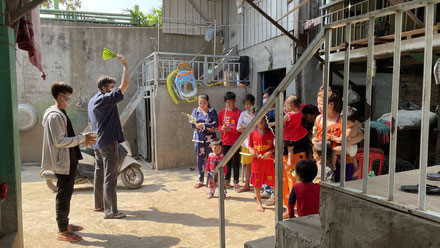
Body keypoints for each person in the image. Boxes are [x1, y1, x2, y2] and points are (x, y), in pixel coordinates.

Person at [42, 81, 96, 242]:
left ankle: (65, 224)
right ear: (60, 96)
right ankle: (63, 231)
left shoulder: (60, 112)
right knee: (63, 196)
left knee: (67, 194)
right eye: (68, 97)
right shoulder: (54, 115)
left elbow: (66, 138)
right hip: (63, 162)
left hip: (69, 159)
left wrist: (82, 140)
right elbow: (59, 141)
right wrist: (82, 138)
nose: (69, 100)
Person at [88, 55, 129, 219]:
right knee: (110, 177)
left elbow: (91, 124)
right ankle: (111, 211)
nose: (113, 90)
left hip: (97, 143)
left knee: (99, 174)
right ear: (104, 88)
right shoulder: (105, 99)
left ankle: (99, 205)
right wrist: (125, 65)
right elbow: (124, 85)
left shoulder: (93, 100)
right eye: (111, 87)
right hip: (107, 143)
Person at [313, 86, 363, 182]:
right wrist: (313, 139)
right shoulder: (318, 119)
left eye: (321, 104)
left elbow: (360, 131)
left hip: (342, 164)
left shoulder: (343, 119)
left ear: (331, 104)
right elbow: (313, 134)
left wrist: (352, 140)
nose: (318, 106)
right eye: (318, 103)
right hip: (322, 164)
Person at [282, 95, 310, 207]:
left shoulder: (291, 116)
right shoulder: (299, 114)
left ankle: (293, 205)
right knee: (289, 181)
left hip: (297, 155)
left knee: (294, 181)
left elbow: (281, 122)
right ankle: (290, 205)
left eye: (286, 105)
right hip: (291, 154)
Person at [190, 95, 218, 188]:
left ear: (208, 102)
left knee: (211, 159)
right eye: (200, 103)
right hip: (199, 139)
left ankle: (211, 180)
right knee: (200, 159)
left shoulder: (212, 111)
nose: (202, 105)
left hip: (210, 140)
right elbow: (192, 123)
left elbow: (215, 123)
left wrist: (203, 125)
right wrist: (205, 126)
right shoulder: (195, 111)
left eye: (204, 103)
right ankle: (200, 180)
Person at [248, 117, 275, 212]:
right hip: (257, 162)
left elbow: (275, 147)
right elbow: (250, 146)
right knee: (256, 183)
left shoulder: (271, 132)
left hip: (268, 161)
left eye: (263, 119)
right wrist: (251, 151)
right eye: (259, 119)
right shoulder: (252, 133)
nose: (261, 122)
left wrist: (270, 152)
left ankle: (277, 200)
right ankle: (259, 202)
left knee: (273, 182)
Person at [218, 91, 242, 189]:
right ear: (225, 102)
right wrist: (221, 128)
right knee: (226, 161)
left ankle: (236, 181)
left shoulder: (239, 113)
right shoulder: (222, 113)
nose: (230, 104)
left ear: (235, 100)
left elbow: (239, 129)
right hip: (225, 141)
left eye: (232, 102)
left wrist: (230, 129)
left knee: (236, 162)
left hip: (236, 142)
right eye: (228, 102)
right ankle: (227, 180)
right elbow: (219, 125)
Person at [330, 106, 363, 175]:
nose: (345, 124)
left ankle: (333, 165)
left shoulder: (348, 130)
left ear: (354, 122)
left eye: (347, 123)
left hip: (348, 148)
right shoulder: (357, 125)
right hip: (354, 148)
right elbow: (361, 127)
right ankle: (356, 168)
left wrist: (335, 138)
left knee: (333, 152)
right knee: (353, 156)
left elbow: (342, 140)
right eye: (343, 122)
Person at [236, 94, 256, 193]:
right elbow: (238, 128)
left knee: (257, 164)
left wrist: (245, 126)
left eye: (249, 104)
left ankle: (258, 185)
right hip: (246, 143)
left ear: (253, 103)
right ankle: (247, 184)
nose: (247, 106)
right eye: (245, 104)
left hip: (257, 143)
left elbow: (258, 127)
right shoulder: (243, 114)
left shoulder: (257, 113)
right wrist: (246, 127)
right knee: (248, 164)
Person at [260, 87, 276, 205]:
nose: (264, 100)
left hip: (274, 146)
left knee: (274, 170)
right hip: (265, 146)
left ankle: (275, 195)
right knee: (266, 169)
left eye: (266, 98)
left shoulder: (278, 112)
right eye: (263, 98)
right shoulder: (264, 111)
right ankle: (267, 190)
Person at [283, 94, 308, 167]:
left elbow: (283, 121)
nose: (285, 107)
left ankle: (289, 161)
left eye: (286, 105)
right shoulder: (299, 113)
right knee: (290, 149)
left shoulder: (289, 115)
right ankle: (289, 160)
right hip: (296, 133)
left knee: (289, 149)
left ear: (290, 105)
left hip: (289, 134)